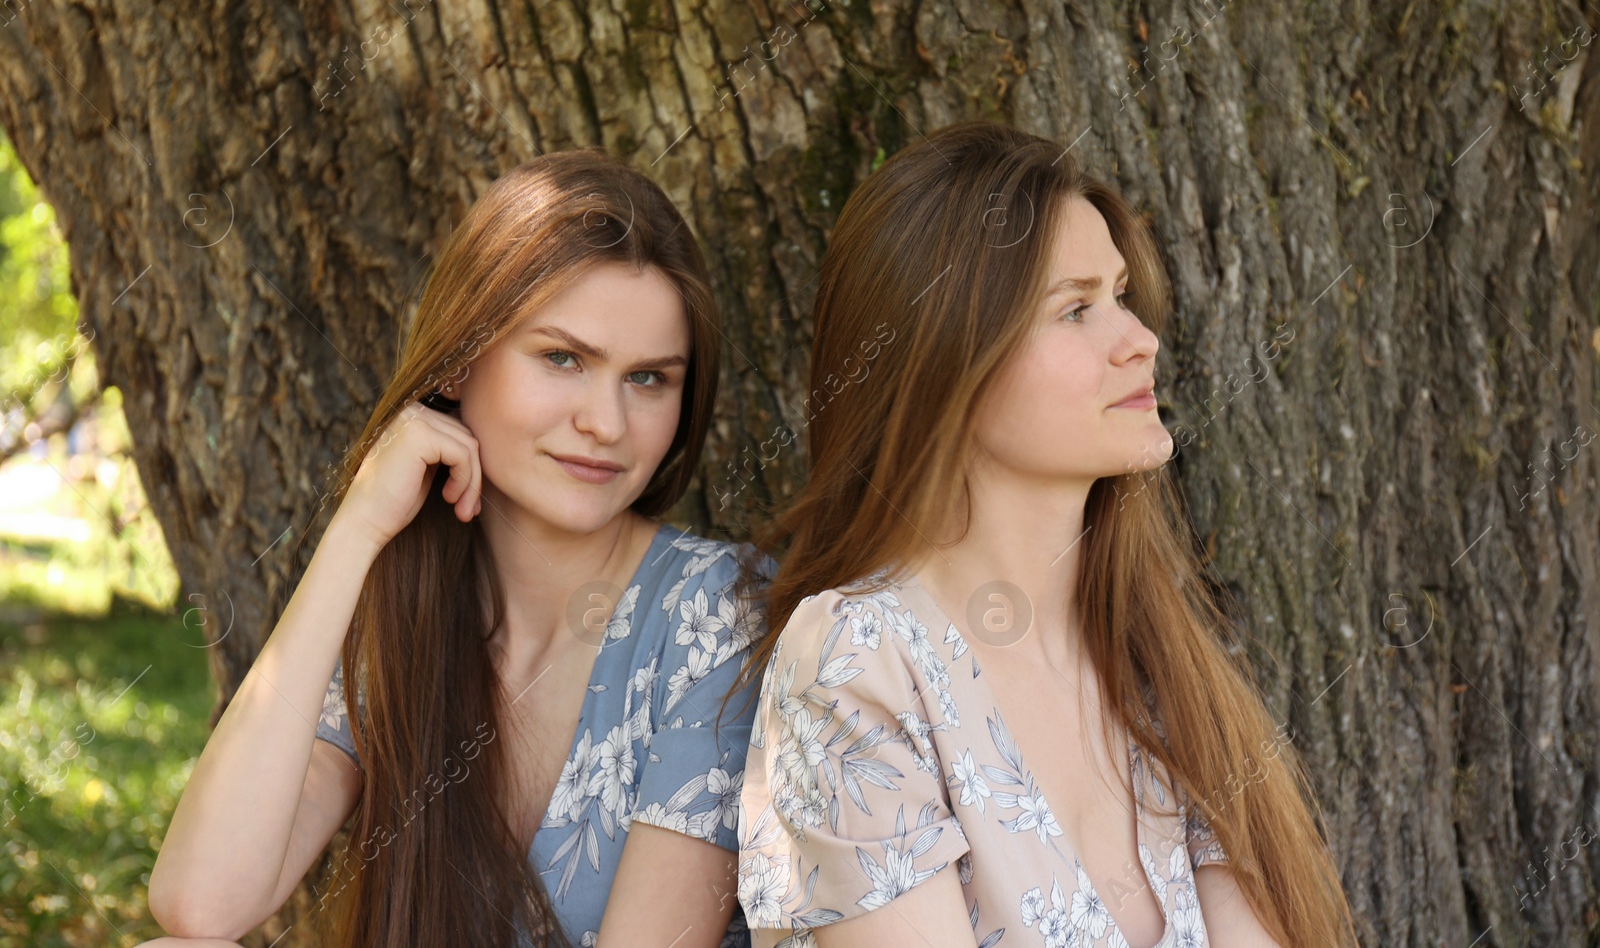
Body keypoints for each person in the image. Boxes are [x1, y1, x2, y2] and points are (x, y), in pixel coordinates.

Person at [731, 121, 1356, 947]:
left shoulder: (1150, 658)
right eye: (1076, 310)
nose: (1140, 340)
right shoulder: (855, 662)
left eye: (1122, 296)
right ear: (947, 355)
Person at [143, 150, 773, 948]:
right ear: (460, 359)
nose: (607, 424)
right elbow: (201, 903)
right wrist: (358, 530)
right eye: (563, 357)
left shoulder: (718, 612)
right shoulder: (410, 610)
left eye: (649, 379)